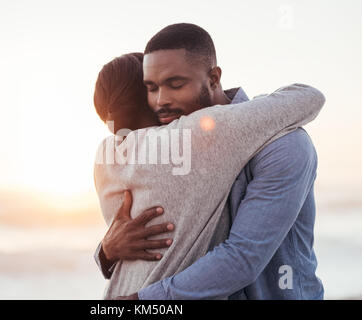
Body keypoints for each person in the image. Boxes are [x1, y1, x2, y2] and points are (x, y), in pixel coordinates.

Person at [93, 23, 325, 300]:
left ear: (213, 79)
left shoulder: (285, 144)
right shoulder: (173, 148)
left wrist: (143, 301)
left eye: (175, 84)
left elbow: (242, 257)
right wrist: (106, 251)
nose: (160, 101)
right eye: (151, 88)